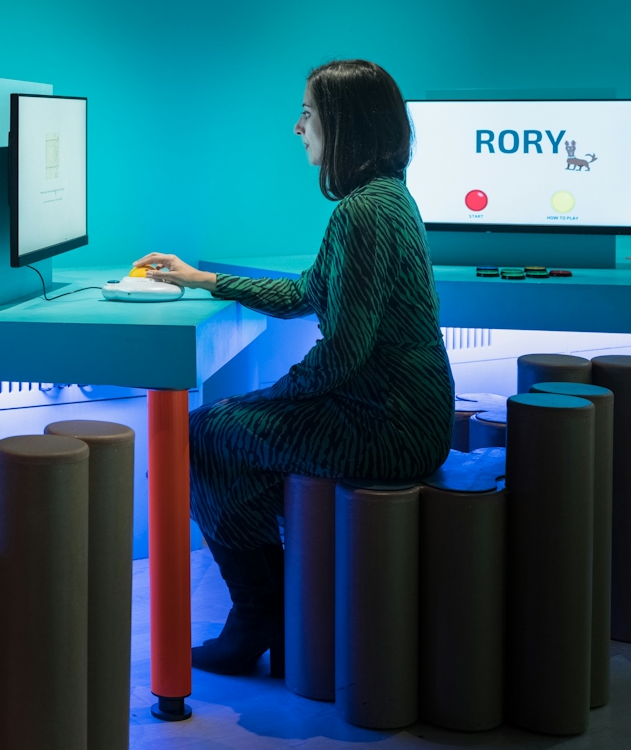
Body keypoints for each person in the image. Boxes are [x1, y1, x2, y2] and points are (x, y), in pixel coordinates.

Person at [134, 59, 453, 676]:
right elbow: (307, 291)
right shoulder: (384, 199)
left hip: (389, 426)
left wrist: (272, 399)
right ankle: (274, 607)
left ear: (344, 124)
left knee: (206, 434)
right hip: (405, 411)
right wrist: (205, 279)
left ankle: (260, 614)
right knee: (225, 425)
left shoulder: (362, 214)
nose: (297, 126)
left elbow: (342, 354)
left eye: (308, 111)